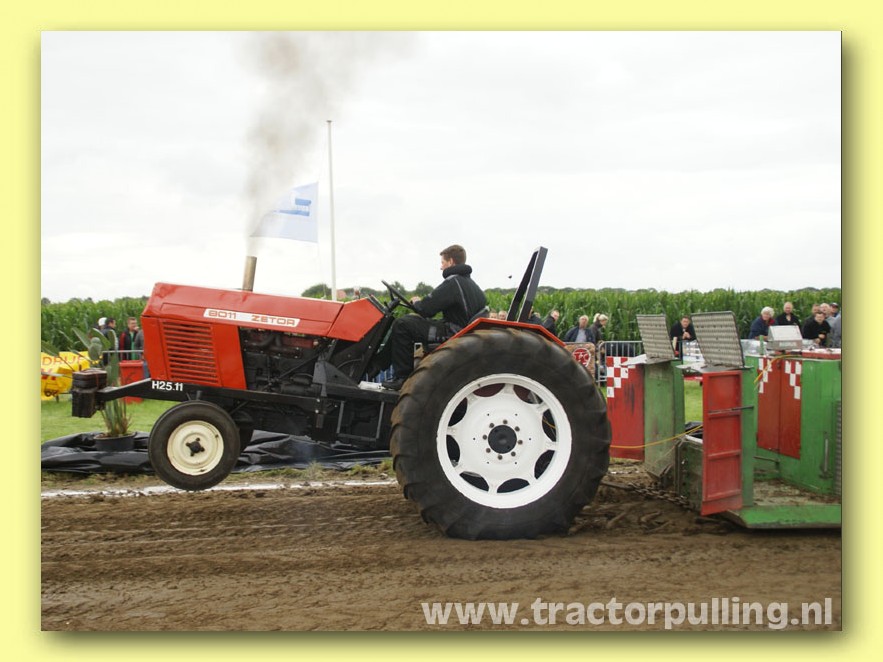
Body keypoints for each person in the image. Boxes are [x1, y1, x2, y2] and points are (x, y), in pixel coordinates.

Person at [381, 244, 487, 390]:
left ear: (451, 262)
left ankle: (402, 377)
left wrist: (417, 302)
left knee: (402, 325)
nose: (441, 267)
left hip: (453, 333)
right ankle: (378, 365)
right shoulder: (469, 283)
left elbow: (426, 309)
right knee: (410, 320)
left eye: (442, 262)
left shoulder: (453, 282)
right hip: (460, 329)